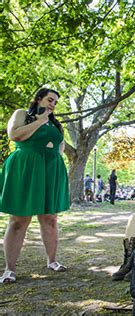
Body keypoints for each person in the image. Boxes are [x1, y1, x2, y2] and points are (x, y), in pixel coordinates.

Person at [0, 88, 69, 284]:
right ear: (38, 98)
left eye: (55, 102)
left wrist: (54, 157)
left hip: (50, 169)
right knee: (19, 219)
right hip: (27, 167)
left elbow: (60, 146)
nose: (52, 104)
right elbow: (14, 135)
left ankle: (52, 261)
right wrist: (39, 122)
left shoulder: (55, 123)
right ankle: (9, 269)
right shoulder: (22, 114)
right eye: (50, 99)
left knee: (50, 217)